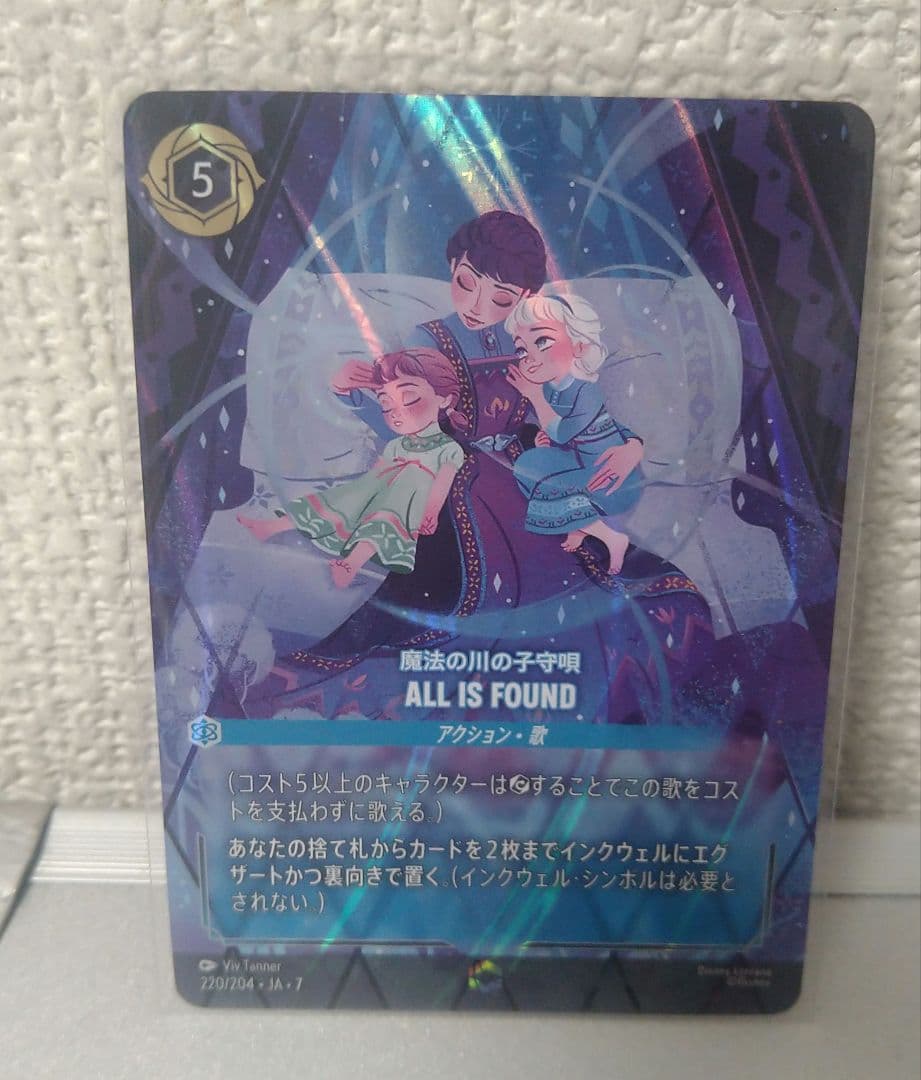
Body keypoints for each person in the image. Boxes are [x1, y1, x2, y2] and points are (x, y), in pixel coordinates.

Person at [238, 348, 467, 587]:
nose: (396, 413)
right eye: (386, 403)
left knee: (384, 519)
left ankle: (350, 565)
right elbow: (378, 472)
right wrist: (360, 494)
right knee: (338, 501)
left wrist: (430, 513)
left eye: (408, 398)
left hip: (407, 501)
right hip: (379, 489)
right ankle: (271, 526)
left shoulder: (448, 448)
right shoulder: (397, 444)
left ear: (445, 399)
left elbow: (442, 483)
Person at [506, 292, 643, 573]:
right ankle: (579, 525)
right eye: (521, 350)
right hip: (581, 464)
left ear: (579, 346)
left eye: (542, 342)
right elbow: (561, 435)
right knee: (526, 465)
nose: (529, 357)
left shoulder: (586, 390)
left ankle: (612, 538)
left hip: (611, 477)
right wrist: (547, 437)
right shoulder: (550, 388)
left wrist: (535, 398)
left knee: (542, 480)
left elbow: (563, 432)